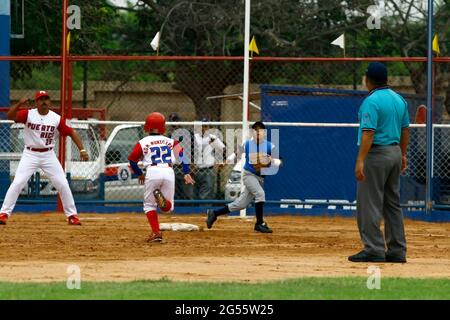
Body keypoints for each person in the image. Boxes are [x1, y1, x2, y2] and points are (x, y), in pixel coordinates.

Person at [349, 62, 410, 263]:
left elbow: (368, 132)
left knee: (369, 203)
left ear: (368, 79)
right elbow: (405, 129)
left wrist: (360, 160)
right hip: (394, 152)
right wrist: (402, 154)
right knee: (392, 203)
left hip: (376, 155)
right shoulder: (399, 99)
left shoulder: (371, 101)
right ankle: (397, 250)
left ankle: (374, 248)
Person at [0, 91, 89, 225]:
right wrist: (19, 104)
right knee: (18, 182)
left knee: (62, 183)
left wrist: (82, 149)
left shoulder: (55, 118)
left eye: (46, 99)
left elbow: (71, 132)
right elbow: (10, 116)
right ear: (36, 102)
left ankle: (72, 215)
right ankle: (4, 213)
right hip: (30, 154)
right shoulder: (29, 114)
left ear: (50, 102)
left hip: (48, 155)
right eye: (41, 99)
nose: (44, 102)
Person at [128, 112, 195, 243]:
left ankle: (156, 233)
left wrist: (139, 173)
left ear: (147, 127)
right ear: (163, 127)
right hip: (168, 171)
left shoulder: (143, 142)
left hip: (152, 171)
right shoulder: (171, 141)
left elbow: (132, 160)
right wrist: (186, 173)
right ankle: (162, 201)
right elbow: (183, 157)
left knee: (149, 206)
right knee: (168, 209)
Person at [205, 121, 282, 233]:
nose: (257, 132)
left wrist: (272, 160)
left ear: (264, 133)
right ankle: (259, 223)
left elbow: (280, 161)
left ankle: (214, 213)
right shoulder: (248, 144)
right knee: (260, 194)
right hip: (248, 175)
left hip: (260, 178)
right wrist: (226, 162)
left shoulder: (270, 146)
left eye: (260, 130)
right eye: (255, 130)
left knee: (241, 204)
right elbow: (236, 154)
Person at [194, 117, 225, 201]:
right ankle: (196, 211)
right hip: (196, 169)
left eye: (206, 126)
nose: (204, 128)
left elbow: (222, 148)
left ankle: (204, 210)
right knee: (195, 192)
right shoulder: (195, 137)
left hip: (208, 169)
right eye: (202, 126)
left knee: (208, 192)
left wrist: (214, 143)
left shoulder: (212, 137)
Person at [167, 112, 195, 201]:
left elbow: (195, 148)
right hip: (174, 166)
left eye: (176, 122)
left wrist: (193, 163)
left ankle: (191, 210)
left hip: (187, 165)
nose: (174, 125)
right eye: (172, 122)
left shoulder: (188, 134)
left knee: (188, 193)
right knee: (175, 192)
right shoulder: (169, 136)